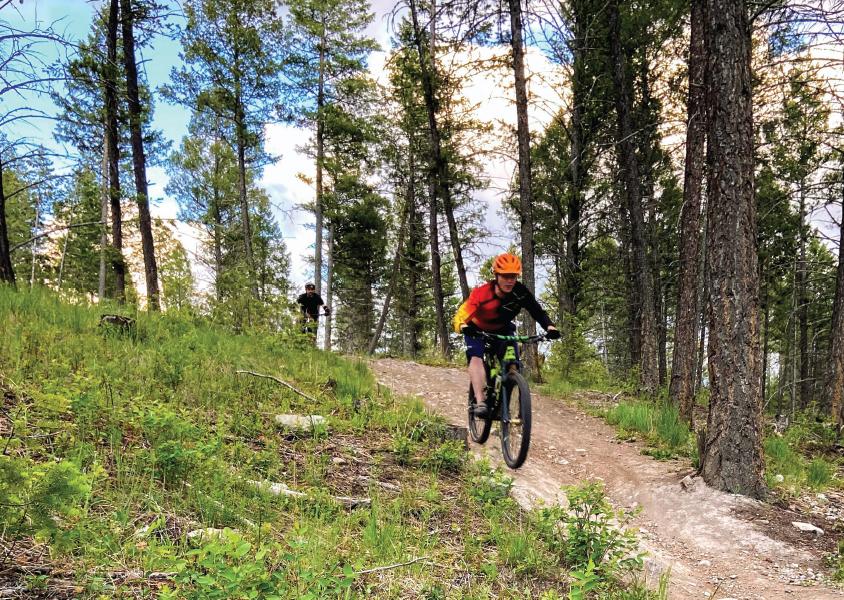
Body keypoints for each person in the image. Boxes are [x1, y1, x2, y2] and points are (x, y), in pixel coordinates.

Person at [453, 253, 560, 416]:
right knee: (476, 358)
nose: (510, 280)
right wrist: (463, 325)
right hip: (476, 328)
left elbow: (537, 311)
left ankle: (504, 406)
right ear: (496, 276)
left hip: (502, 329)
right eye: (505, 276)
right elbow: (463, 312)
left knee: (513, 365)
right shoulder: (483, 292)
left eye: (514, 276)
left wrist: (550, 327)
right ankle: (481, 402)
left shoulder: (520, 292)